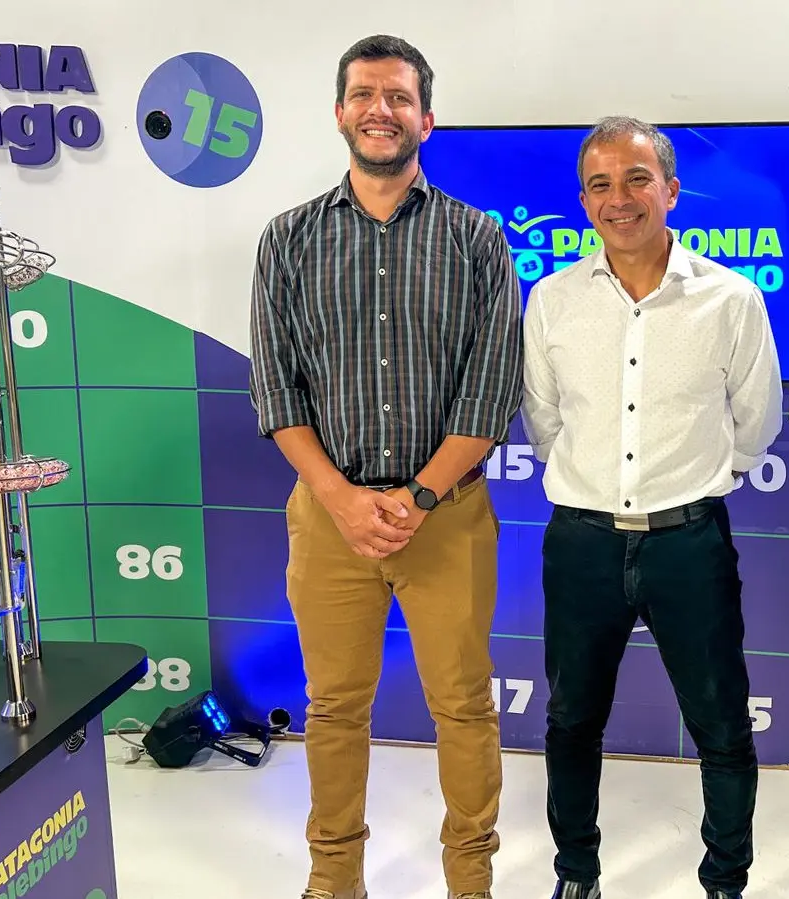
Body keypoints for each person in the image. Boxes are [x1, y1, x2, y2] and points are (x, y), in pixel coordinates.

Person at [247, 34, 522, 899]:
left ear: (425, 120)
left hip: (448, 515)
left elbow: (489, 394)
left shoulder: (476, 239)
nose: (381, 109)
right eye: (365, 94)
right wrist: (340, 498)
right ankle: (335, 879)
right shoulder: (288, 239)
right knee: (333, 706)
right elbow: (276, 390)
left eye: (399, 97)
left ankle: (470, 881)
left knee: (463, 706)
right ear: (340, 113)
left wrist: (418, 496)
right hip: (328, 516)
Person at [519, 115, 784, 899]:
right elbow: (544, 421)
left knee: (722, 726)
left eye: (637, 179)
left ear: (671, 189)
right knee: (571, 721)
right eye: (600, 184)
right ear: (583, 201)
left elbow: (757, 421)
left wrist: (699, 482)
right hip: (583, 544)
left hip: (688, 544)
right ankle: (577, 874)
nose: (619, 198)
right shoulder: (552, 301)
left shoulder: (730, 299)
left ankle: (725, 880)